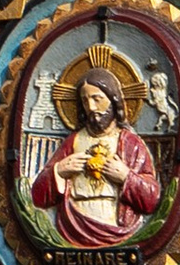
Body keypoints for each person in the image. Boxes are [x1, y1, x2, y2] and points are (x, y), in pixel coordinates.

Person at [32, 63, 160, 249]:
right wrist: (59, 171)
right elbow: (37, 197)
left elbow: (151, 200)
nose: (91, 107)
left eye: (97, 99)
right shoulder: (73, 142)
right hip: (74, 226)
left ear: (113, 100)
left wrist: (125, 177)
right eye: (85, 101)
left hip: (118, 230)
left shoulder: (131, 144)